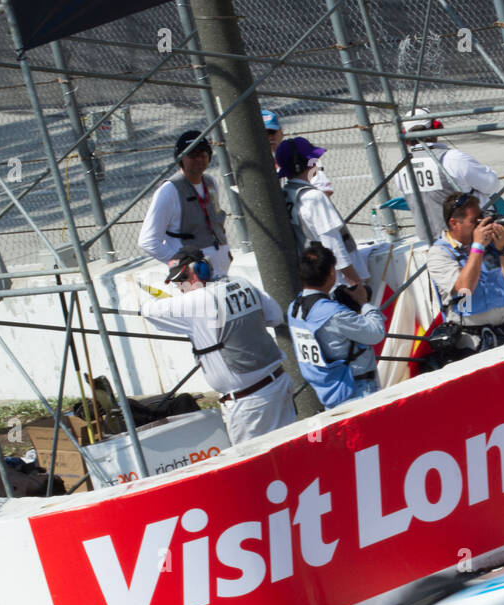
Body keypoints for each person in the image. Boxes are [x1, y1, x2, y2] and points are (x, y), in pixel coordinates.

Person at [139, 247, 296, 444]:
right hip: (278, 384)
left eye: (183, 278)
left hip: (248, 403)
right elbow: (274, 316)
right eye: (177, 282)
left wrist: (168, 299)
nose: (181, 285)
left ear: (201, 270)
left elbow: (149, 311)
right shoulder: (242, 282)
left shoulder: (198, 301)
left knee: (253, 466)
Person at [425, 192, 504, 353]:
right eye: (474, 221)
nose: (481, 225)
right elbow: (463, 289)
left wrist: (503, 248)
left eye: (482, 218)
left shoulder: (491, 244)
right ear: (454, 224)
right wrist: (478, 247)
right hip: (472, 339)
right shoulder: (440, 253)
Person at [287, 243, 387, 409]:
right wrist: (363, 303)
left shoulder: (294, 309)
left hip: (329, 391)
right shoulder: (334, 313)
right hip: (357, 390)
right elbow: (376, 333)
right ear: (332, 272)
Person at [396, 107, 499, 242]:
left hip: (429, 238)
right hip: (470, 235)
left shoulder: (402, 166)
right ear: (437, 127)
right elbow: (491, 185)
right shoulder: (453, 158)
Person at [277, 136, 365, 293]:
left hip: (314, 276)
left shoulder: (286, 193)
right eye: (313, 161)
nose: (316, 165)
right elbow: (333, 245)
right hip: (335, 279)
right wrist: (355, 283)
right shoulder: (314, 197)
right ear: (304, 165)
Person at [139, 129, 231, 278]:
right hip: (194, 277)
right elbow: (148, 241)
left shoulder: (210, 182)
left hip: (221, 271)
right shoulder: (169, 191)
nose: (199, 159)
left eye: (203, 154)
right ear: (181, 158)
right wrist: (183, 265)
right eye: (192, 155)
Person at [264, 110, 332, 194]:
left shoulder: (304, 157)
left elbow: (325, 191)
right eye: (263, 134)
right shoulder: (258, 166)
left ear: (281, 132)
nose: (269, 137)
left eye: (272, 132)